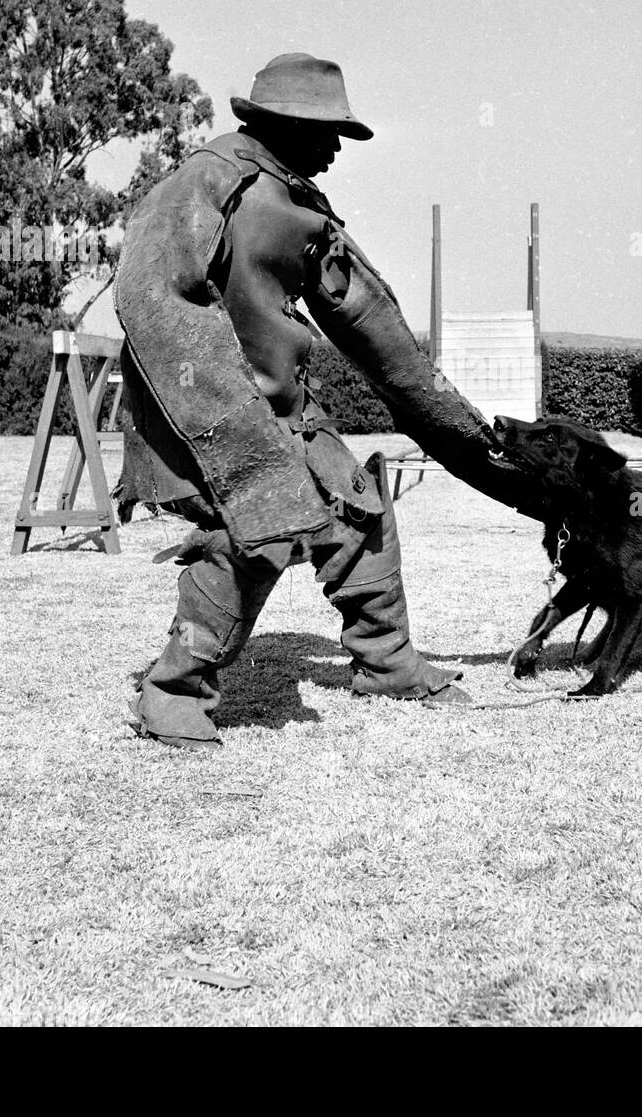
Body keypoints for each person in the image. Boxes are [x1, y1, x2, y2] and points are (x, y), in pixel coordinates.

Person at [113, 53, 538, 750]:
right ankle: (172, 693)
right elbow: (157, 303)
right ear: (285, 123)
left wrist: (479, 444)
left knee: (358, 505)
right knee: (251, 530)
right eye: (330, 131)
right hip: (200, 417)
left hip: (284, 414)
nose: (338, 149)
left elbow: (377, 334)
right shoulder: (205, 184)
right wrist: (243, 451)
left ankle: (387, 662)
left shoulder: (298, 202)